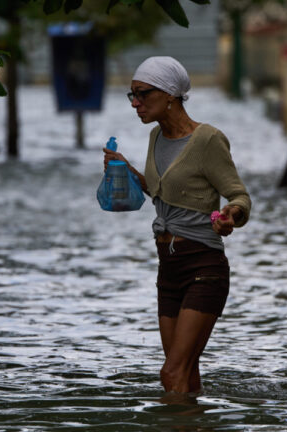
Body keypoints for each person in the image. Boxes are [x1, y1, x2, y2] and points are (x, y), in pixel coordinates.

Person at [103, 56, 252, 395]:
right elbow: (161, 193)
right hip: (168, 270)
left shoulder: (208, 140)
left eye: (142, 94)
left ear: (169, 94)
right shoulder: (156, 137)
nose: (135, 103)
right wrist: (126, 169)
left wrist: (232, 215)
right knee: (185, 376)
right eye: (132, 96)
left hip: (204, 267)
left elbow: (239, 195)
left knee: (172, 373)